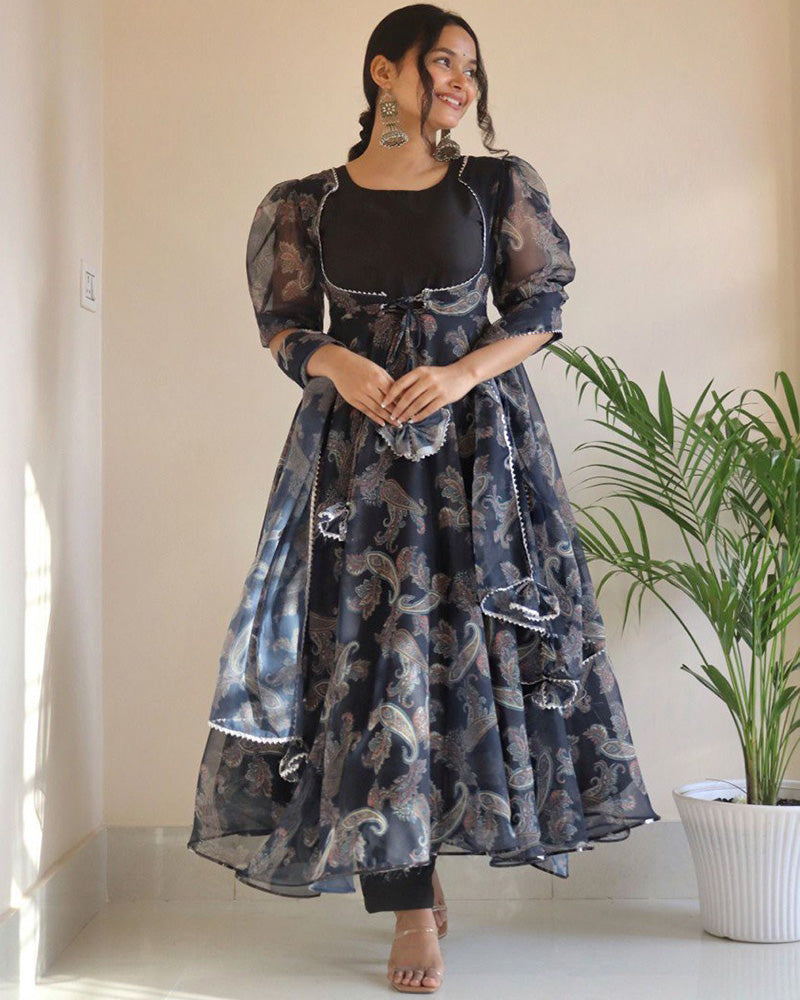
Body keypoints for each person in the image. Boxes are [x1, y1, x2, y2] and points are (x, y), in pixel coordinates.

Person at [187, 4, 661, 994]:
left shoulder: (494, 186)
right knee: (369, 663)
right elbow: (282, 322)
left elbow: (539, 308)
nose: (460, 83)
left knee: (459, 658)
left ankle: (424, 860)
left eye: (471, 69)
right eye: (442, 62)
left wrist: (456, 374)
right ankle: (407, 900)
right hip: (353, 464)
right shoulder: (305, 202)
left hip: (480, 458)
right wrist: (337, 363)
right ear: (382, 73)